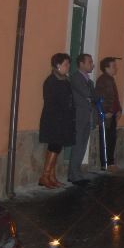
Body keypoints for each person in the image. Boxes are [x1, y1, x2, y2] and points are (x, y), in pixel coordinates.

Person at [38, 53, 75, 189]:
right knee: (54, 146)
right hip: (53, 119)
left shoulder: (64, 80)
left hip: (63, 120)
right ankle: (44, 176)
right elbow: (51, 102)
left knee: (56, 147)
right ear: (58, 65)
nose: (68, 67)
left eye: (68, 64)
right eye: (66, 64)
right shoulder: (51, 81)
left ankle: (51, 177)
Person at [68, 53, 97, 185]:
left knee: (83, 145)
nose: (92, 64)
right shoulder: (76, 77)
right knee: (78, 144)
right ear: (81, 63)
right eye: (90, 62)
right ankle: (74, 174)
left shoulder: (89, 80)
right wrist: (92, 96)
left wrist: (92, 96)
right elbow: (87, 94)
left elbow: (94, 96)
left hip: (87, 116)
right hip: (79, 116)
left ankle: (77, 173)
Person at [95, 56, 122, 171]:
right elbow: (101, 97)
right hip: (106, 116)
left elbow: (115, 97)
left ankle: (110, 162)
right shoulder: (103, 80)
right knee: (106, 140)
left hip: (112, 115)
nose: (116, 68)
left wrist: (119, 109)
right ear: (107, 68)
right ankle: (106, 164)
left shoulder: (110, 80)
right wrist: (107, 111)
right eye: (113, 66)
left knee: (111, 139)